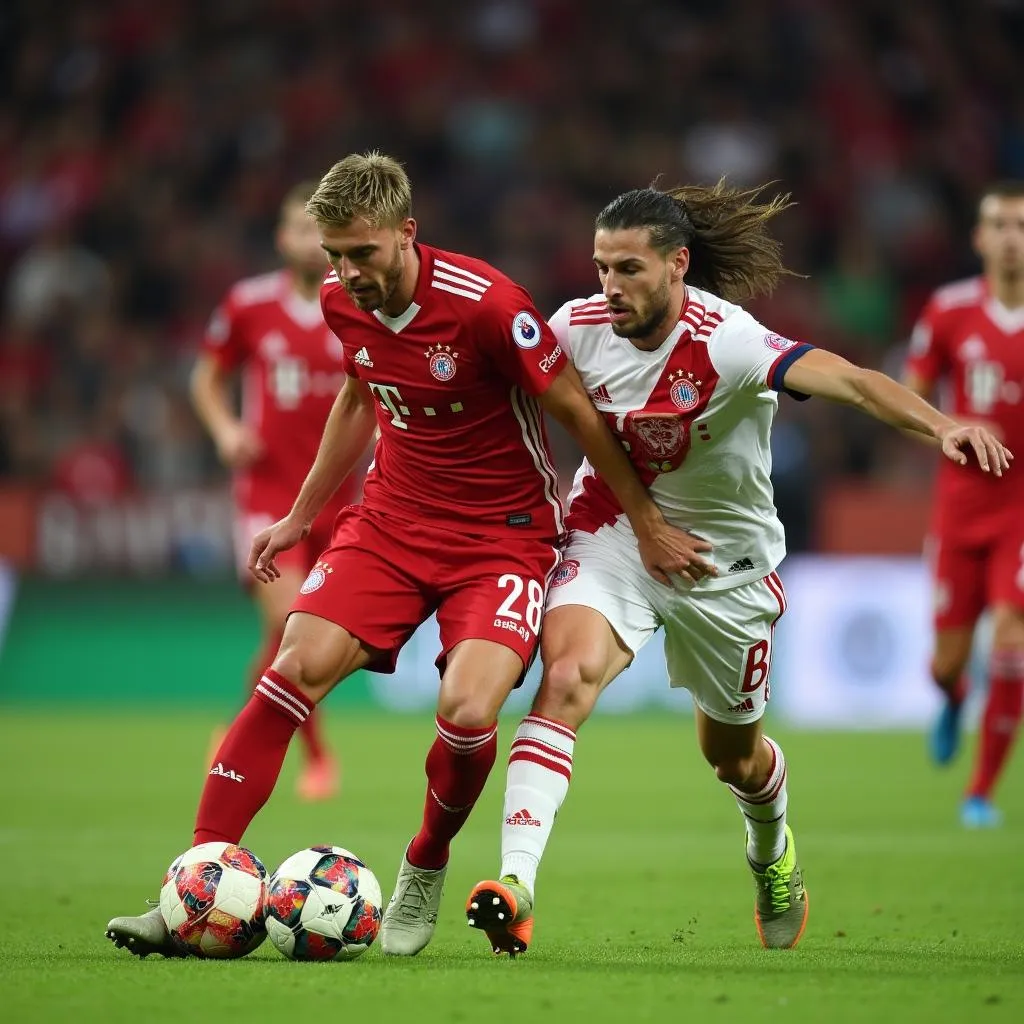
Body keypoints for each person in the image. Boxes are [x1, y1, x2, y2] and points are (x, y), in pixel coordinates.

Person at [105, 152, 707, 959]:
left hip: (502, 534)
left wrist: (648, 522)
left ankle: (425, 862)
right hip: (391, 523)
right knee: (292, 667)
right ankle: (192, 887)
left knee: (466, 712)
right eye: (335, 255)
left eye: (364, 253)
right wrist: (299, 515)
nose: (349, 273)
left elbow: (578, 413)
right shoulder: (336, 301)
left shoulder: (489, 306)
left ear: (406, 234)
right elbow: (359, 395)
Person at [465, 181, 1012, 956]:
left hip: (726, 563)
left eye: (628, 269)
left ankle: (772, 853)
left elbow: (855, 382)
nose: (608, 287)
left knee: (733, 757)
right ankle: (516, 885)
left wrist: (943, 425)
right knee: (565, 680)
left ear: (677, 264)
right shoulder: (576, 330)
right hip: (616, 532)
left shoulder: (730, 341)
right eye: (600, 268)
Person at [190, 182, 365, 802]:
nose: (310, 243)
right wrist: (226, 428)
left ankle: (240, 729)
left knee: (296, 635)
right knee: (291, 621)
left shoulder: (357, 302)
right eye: (299, 229)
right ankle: (318, 757)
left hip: (339, 499)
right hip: (266, 495)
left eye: (319, 233)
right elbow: (206, 378)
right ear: (280, 238)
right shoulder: (248, 305)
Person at [904, 181, 1024, 828]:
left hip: (1022, 510)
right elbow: (908, 402)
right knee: (947, 662)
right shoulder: (948, 311)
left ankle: (979, 793)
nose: (1012, 237)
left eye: (1021, 225)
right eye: (1000, 225)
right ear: (980, 238)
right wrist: (957, 427)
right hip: (959, 511)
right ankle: (953, 698)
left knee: (1011, 635)